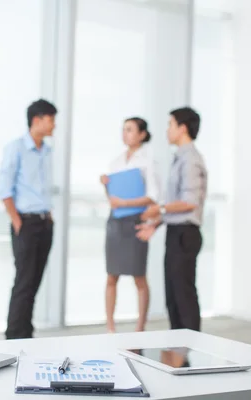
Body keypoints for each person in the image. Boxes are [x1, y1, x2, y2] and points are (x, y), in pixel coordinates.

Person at [136, 107, 207, 332]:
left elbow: (189, 201)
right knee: (173, 297)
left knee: (183, 295)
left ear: (182, 128)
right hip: (176, 232)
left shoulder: (191, 159)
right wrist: (155, 224)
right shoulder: (180, 158)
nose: (167, 130)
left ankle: (190, 351)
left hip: (186, 234)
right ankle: (178, 350)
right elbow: (175, 204)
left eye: (170, 124)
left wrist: (159, 208)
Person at [0, 99, 57, 340]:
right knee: (23, 282)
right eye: (51, 120)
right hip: (26, 223)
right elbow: (4, 188)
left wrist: (49, 216)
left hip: (44, 223)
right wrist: (16, 220)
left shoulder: (47, 151)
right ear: (37, 120)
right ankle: (13, 336)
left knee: (34, 282)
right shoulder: (16, 148)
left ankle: (26, 335)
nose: (54, 125)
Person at [100, 117, 160, 333]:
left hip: (136, 221)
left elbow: (153, 197)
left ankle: (140, 327)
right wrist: (106, 186)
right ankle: (110, 327)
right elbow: (113, 198)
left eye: (130, 130)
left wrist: (125, 202)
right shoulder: (116, 162)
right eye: (123, 129)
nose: (125, 134)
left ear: (142, 134)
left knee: (139, 276)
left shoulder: (148, 161)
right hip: (116, 221)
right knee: (111, 275)